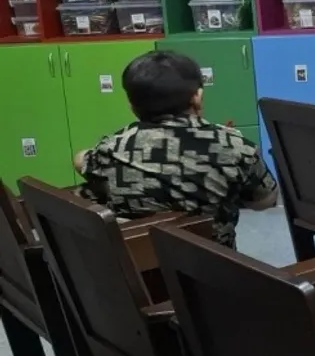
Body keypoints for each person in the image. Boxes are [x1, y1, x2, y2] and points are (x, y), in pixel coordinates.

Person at [74, 50, 277, 249]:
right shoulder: (233, 146)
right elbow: (265, 200)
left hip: (138, 263)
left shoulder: (113, 148)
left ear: (131, 105)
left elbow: (81, 161)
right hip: (213, 262)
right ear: (197, 97)